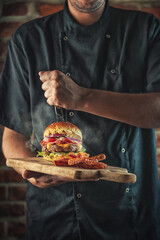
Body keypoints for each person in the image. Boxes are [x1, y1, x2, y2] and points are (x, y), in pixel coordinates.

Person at [0, 0, 160, 239]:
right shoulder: (29, 38)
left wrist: (82, 97)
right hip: (55, 214)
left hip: (131, 212)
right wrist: (30, 167)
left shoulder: (145, 29)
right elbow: (12, 136)